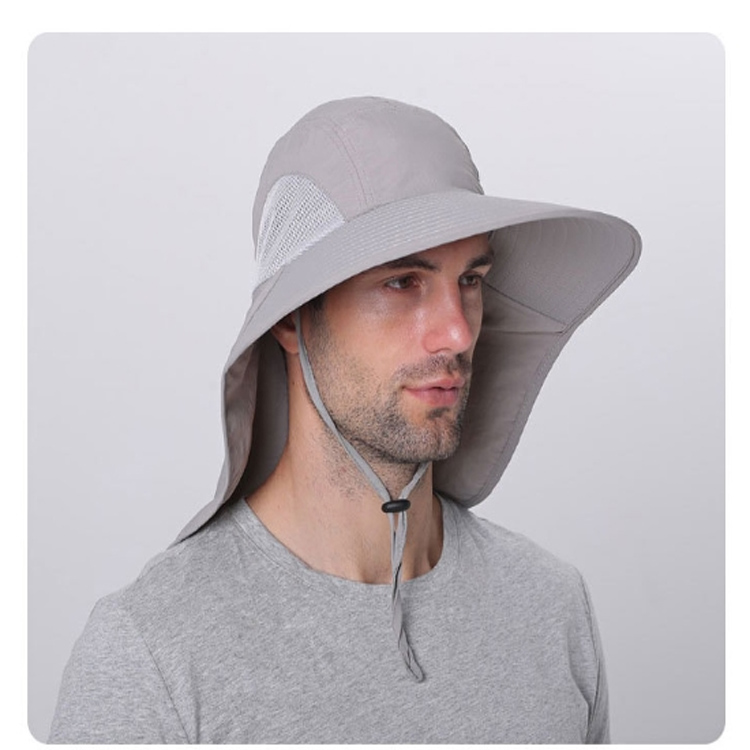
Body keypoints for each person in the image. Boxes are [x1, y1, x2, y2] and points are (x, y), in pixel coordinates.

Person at [49, 96, 641, 744]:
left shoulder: (551, 607)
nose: (457, 332)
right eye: (403, 282)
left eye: (470, 280)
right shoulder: (153, 653)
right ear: (291, 318)